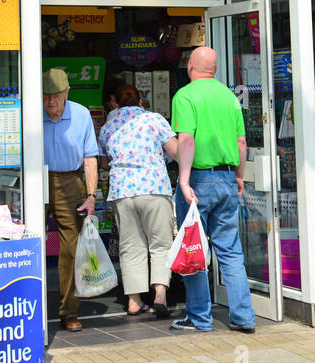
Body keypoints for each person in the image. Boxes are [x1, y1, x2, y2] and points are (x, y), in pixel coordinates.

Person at [170, 46, 257, 334]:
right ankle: (244, 317)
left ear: (191, 65)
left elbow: (186, 141)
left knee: (194, 247)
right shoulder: (229, 97)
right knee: (230, 251)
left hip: (197, 180)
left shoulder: (185, 95)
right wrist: (240, 176)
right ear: (215, 69)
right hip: (227, 179)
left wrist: (183, 180)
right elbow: (242, 142)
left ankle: (199, 318)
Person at [98, 83, 177, 319]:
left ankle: (134, 301)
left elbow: (103, 163)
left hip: (122, 191)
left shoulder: (108, 127)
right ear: (141, 101)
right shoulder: (155, 120)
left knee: (131, 247)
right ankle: (160, 295)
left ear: (117, 103)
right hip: (154, 188)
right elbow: (175, 151)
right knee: (161, 244)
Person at [42, 68, 99, 332]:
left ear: (66, 93)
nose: (50, 102)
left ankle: (69, 311)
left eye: (55, 96)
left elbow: (89, 157)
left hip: (69, 180)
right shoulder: (32, 112)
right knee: (29, 242)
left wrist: (90, 195)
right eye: (45, 96)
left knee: (71, 249)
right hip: (36, 180)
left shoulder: (81, 114)